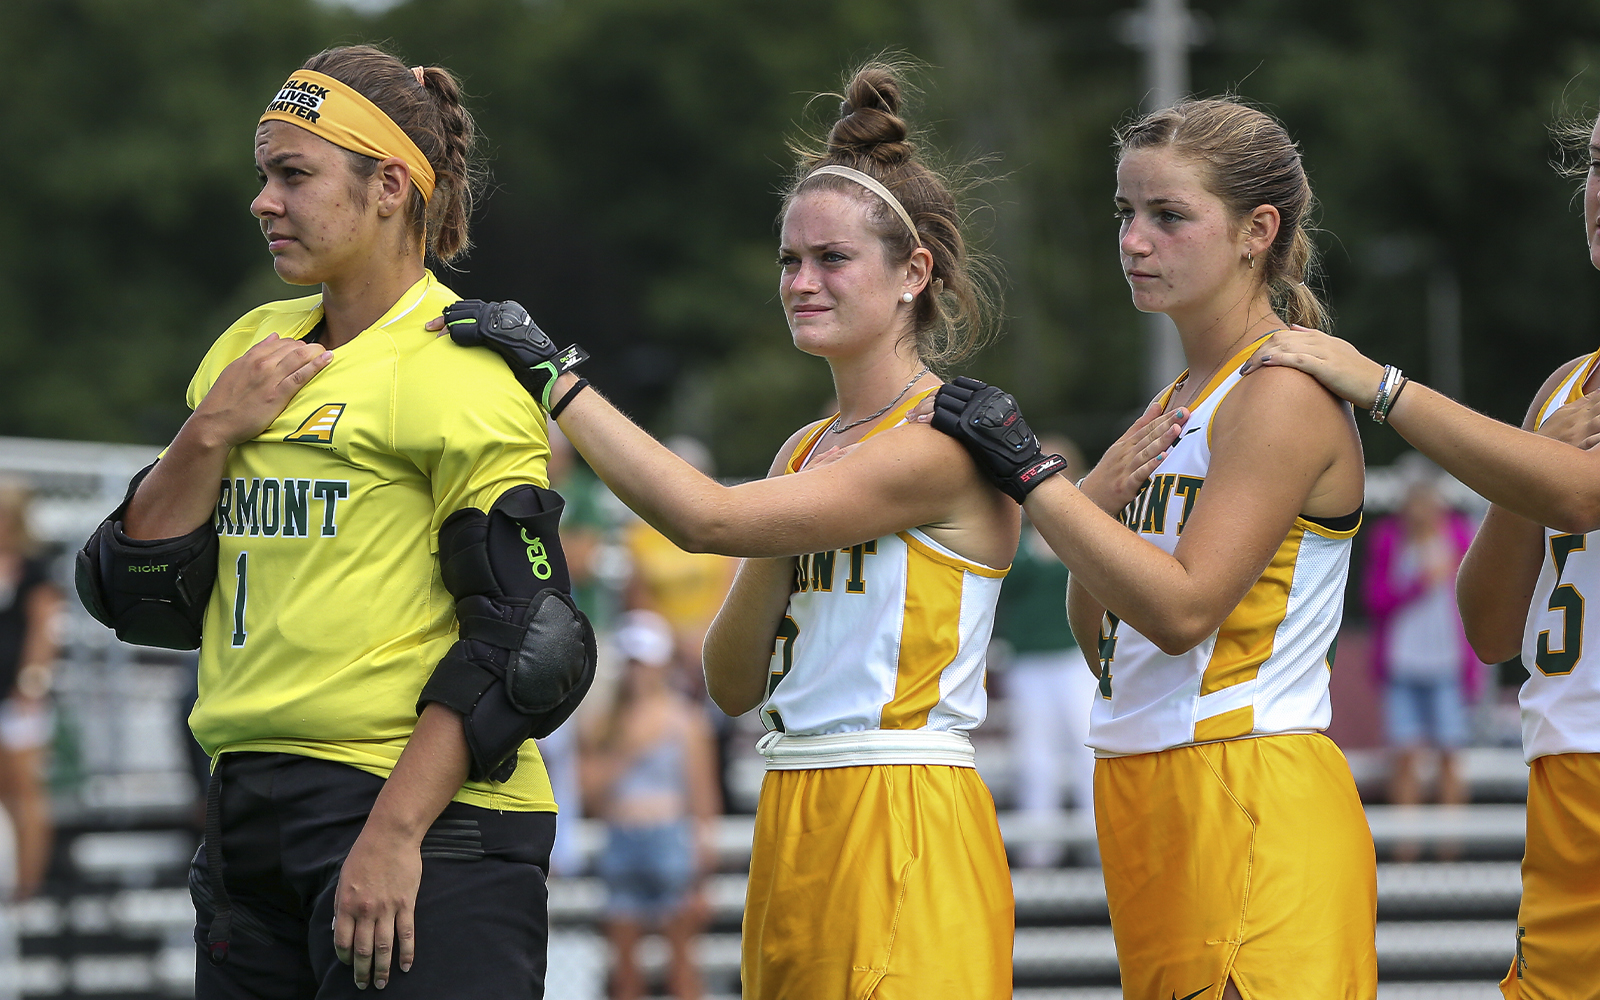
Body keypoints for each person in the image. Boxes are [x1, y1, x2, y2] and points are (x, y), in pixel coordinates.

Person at [436, 62, 1020, 999]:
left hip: (900, 802)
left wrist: (556, 380)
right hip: (794, 808)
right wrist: (785, 518)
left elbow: (704, 520)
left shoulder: (937, 444)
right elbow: (733, 679)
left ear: (914, 275)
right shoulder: (805, 449)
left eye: (833, 260)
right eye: (790, 259)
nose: (802, 281)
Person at [74, 45, 593, 997]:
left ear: (390, 184)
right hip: (246, 816)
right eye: (263, 176)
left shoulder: (462, 365)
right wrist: (208, 434)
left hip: (418, 820)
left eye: (293, 175)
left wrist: (394, 835)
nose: (263, 201)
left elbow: (533, 638)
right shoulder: (248, 346)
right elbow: (139, 593)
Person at [917, 98, 1376, 999]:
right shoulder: (1177, 398)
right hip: (1149, 791)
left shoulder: (1280, 389)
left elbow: (1180, 610)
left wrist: (1034, 477)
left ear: (1258, 231)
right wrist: (1083, 501)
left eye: (1169, 215)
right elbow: (1102, 636)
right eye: (1126, 212)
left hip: (1246, 786)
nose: (1134, 239)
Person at [1232, 109, 1600, 1000]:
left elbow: (1585, 495)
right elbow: (1489, 627)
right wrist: (1538, 453)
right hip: (1566, 796)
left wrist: (1382, 385)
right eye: (1597, 163)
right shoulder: (1571, 385)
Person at [582, 611, 720, 1000]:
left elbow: (702, 797)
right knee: (624, 968)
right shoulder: (606, 722)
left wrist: (702, 869)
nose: (637, 671)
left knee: (682, 962)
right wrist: (628, 751)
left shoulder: (685, 720)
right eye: (632, 662)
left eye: (643, 661)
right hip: (624, 839)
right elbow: (589, 793)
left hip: (668, 839)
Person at [990, 437, 1098, 868]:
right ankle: (1039, 857)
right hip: (1029, 661)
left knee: (1088, 753)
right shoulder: (1014, 533)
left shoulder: (1093, 523)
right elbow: (1003, 586)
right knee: (1036, 759)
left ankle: (1099, 853)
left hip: (1076, 659)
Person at [1364, 453, 1481, 840]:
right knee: (1405, 757)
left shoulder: (1460, 534)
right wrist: (1418, 584)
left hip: (1446, 663)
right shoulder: (1388, 539)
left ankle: (1451, 850)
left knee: (1450, 754)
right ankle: (1407, 850)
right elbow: (1375, 600)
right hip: (1402, 665)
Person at [0, 483, 61, 902]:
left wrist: (31, 684)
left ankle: (27, 890)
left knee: (25, 793)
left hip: (19, 697)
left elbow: (44, 630)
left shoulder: (34, 567)